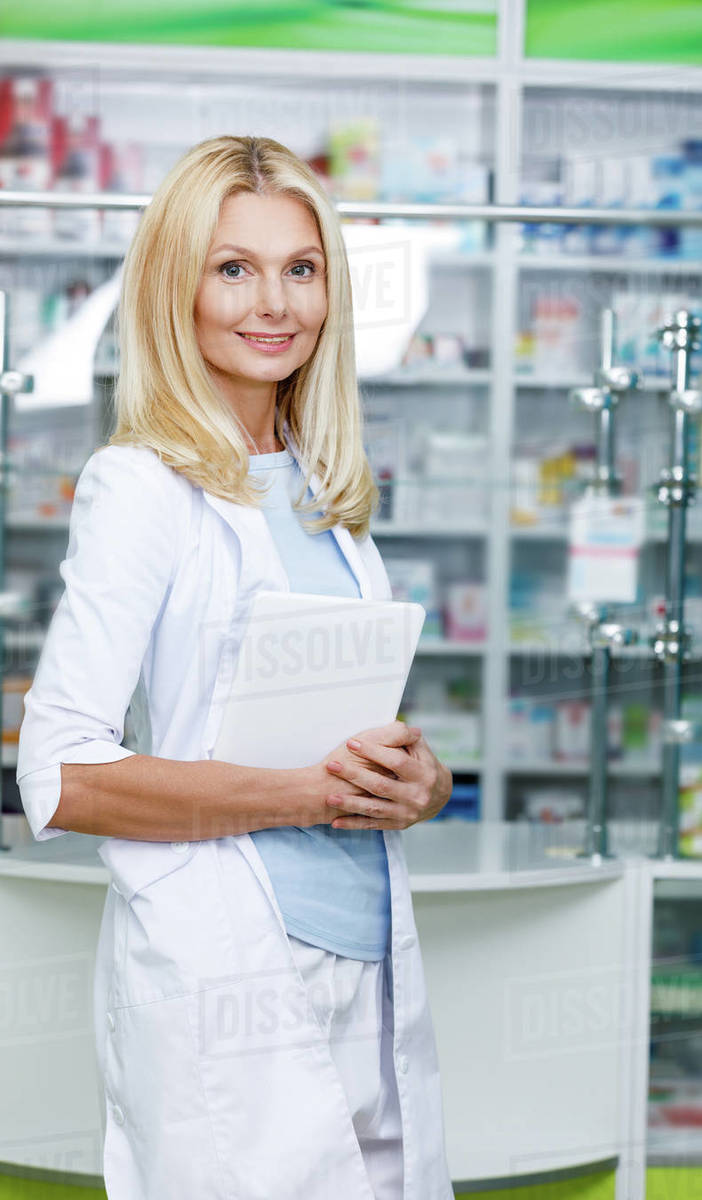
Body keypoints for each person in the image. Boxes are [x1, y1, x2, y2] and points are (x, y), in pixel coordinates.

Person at [16, 134, 456, 1200]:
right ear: (181, 288)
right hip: (232, 975)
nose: (274, 303)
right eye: (233, 268)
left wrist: (418, 782)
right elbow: (61, 771)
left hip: (365, 960)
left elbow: (343, 736)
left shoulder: (327, 497)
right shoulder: (142, 487)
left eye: (300, 269)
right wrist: (303, 794)